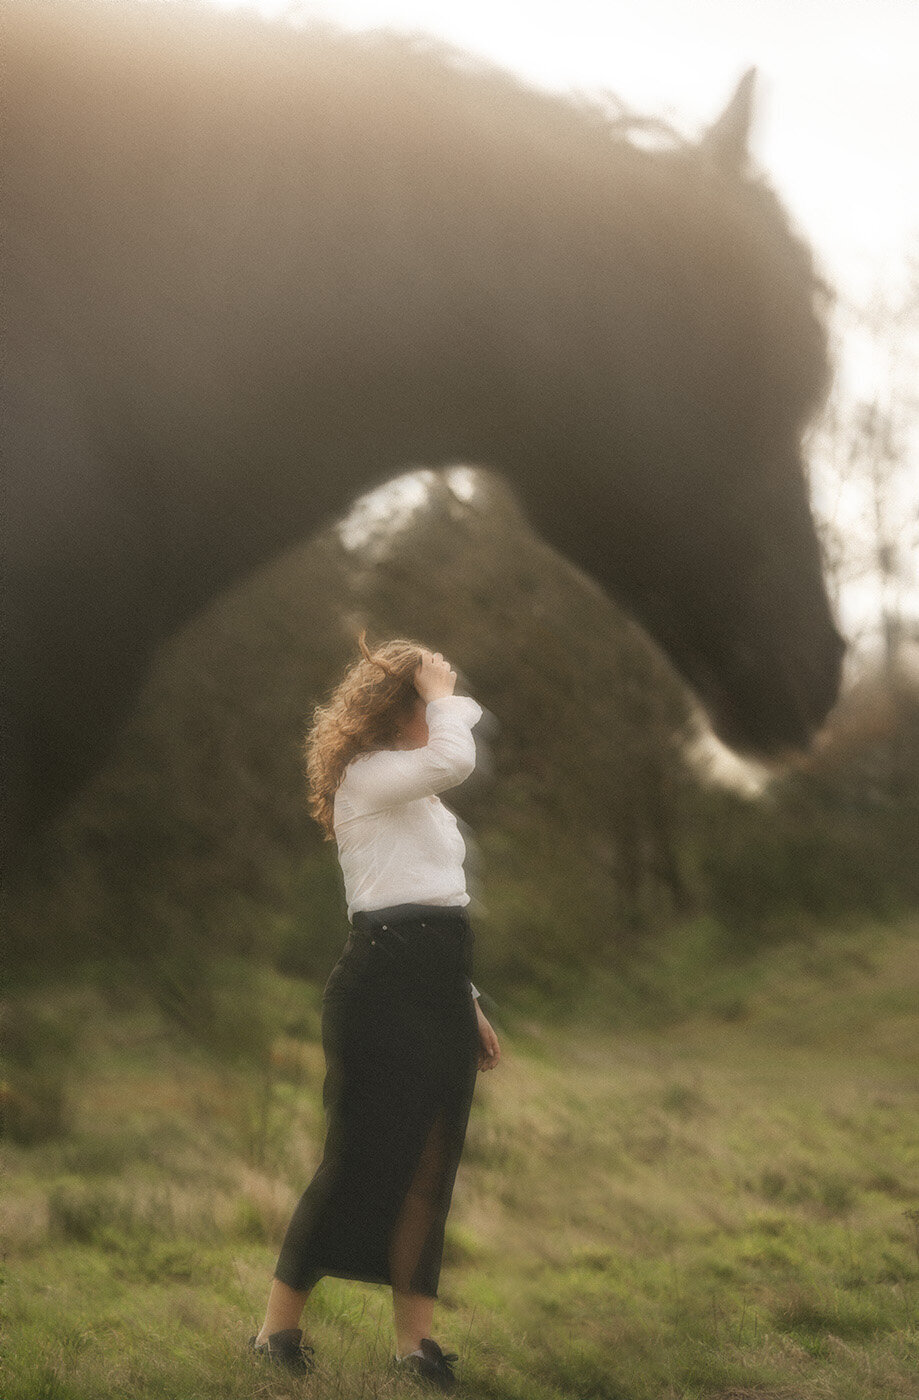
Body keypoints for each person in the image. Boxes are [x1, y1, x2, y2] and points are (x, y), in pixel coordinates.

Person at [248, 631, 501, 1391]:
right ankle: (274, 1333)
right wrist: (435, 688)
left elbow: (431, 899)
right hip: (380, 986)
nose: (445, 718)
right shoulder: (367, 775)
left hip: (435, 982)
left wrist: (470, 1004)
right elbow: (453, 762)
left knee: (431, 1163)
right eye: (430, 706)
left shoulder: (412, 789)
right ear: (403, 710)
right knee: (358, 1161)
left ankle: (414, 1348)